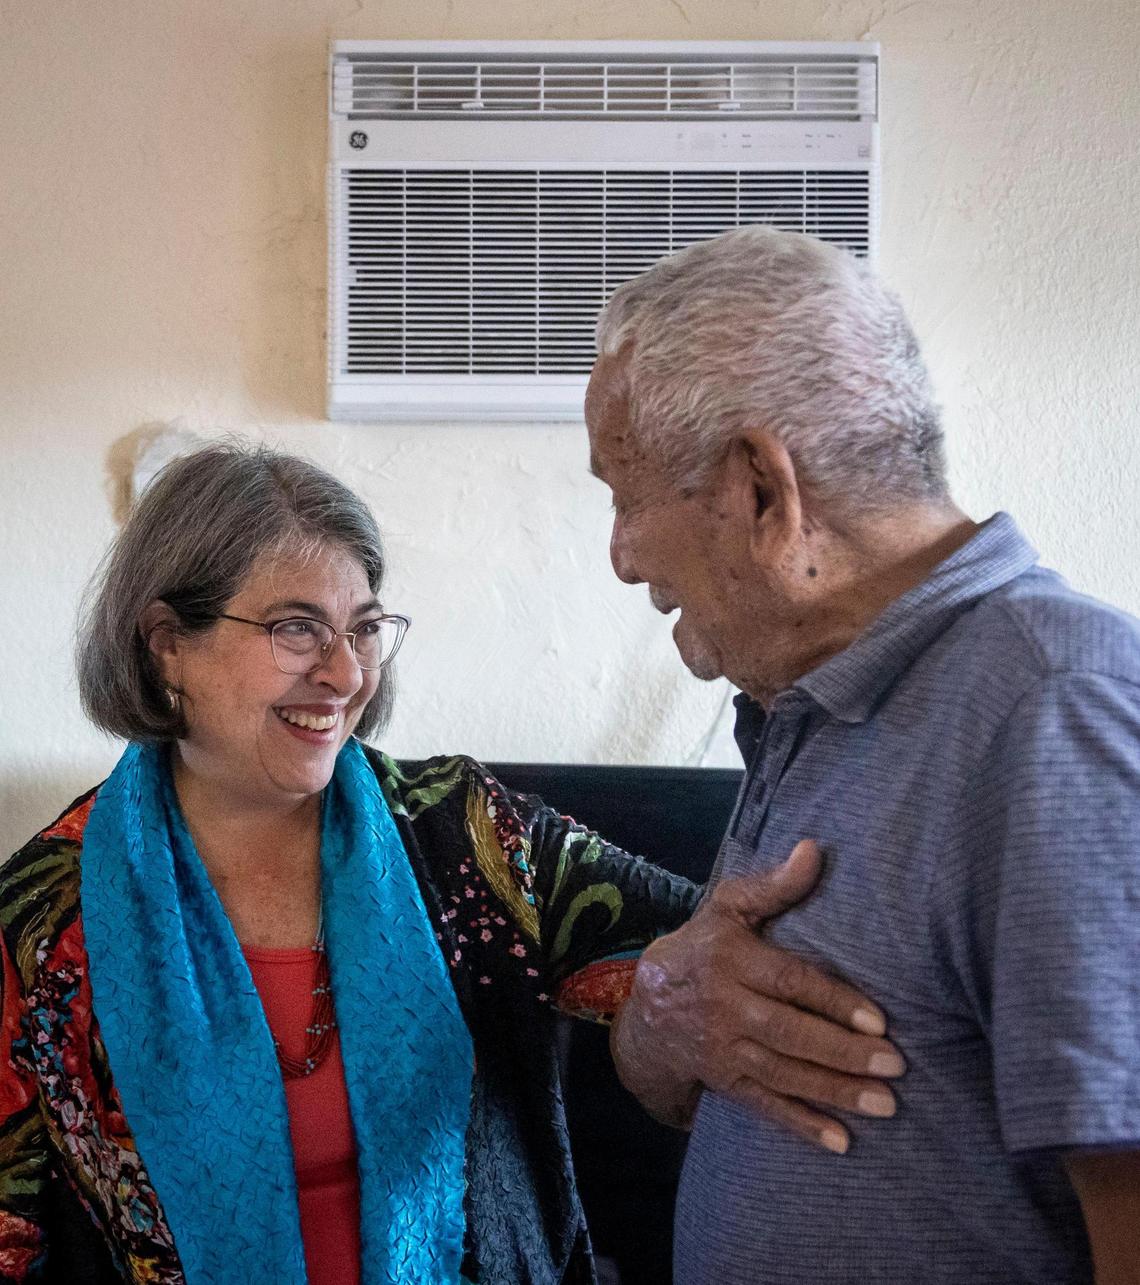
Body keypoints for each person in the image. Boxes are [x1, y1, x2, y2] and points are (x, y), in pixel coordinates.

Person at [0, 443, 903, 1285]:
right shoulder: (42, 913)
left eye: (362, 629)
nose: (346, 674)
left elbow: (694, 947)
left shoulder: (462, 833)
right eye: (296, 628)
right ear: (167, 644)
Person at [589, 226, 1140, 1283]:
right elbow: (686, 1068)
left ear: (760, 489)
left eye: (626, 495)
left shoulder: (1054, 709)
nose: (622, 556)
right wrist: (661, 1010)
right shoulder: (815, 698)